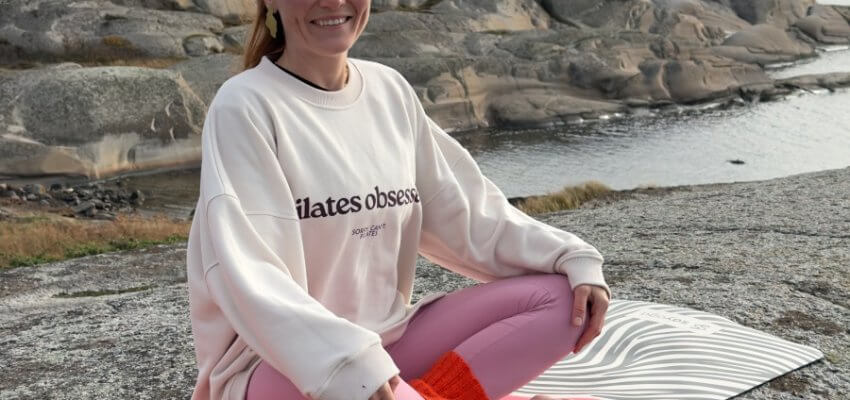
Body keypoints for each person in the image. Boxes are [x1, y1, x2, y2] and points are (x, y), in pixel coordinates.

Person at [184, 0, 611, 399]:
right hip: (281, 366)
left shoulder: (388, 90)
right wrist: (349, 363)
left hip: (390, 341)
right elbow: (251, 272)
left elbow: (467, 213)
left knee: (565, 301)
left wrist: (572, 257)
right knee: (345, 377)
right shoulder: (244, 105)